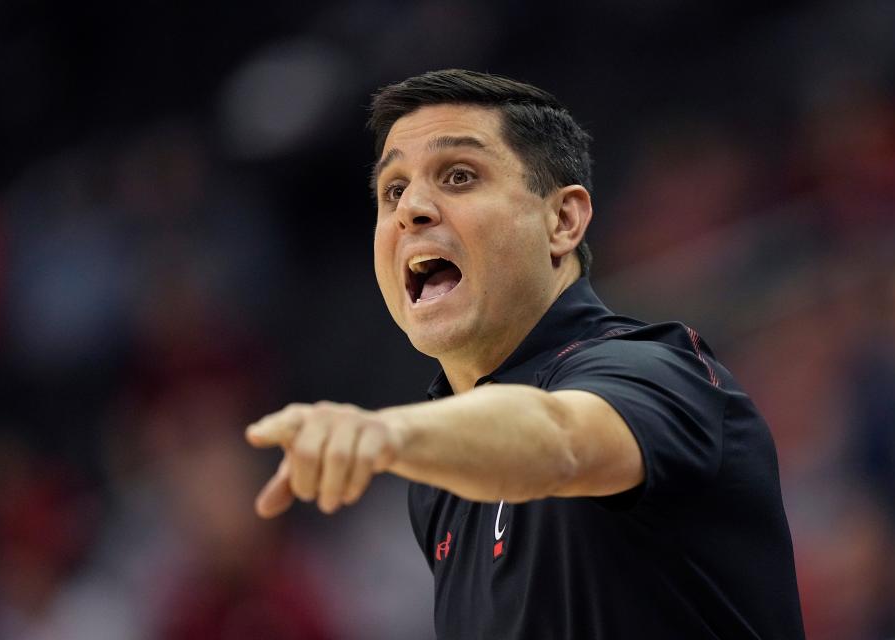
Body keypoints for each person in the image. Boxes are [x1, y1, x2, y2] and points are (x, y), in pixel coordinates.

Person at [246, 69, 805, 639]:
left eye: (459, 176)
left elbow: (560, 436)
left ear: (562, 220)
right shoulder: (438, 482)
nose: (411, 208)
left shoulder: (659, 370)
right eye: (392, 191)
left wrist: (391, 436)